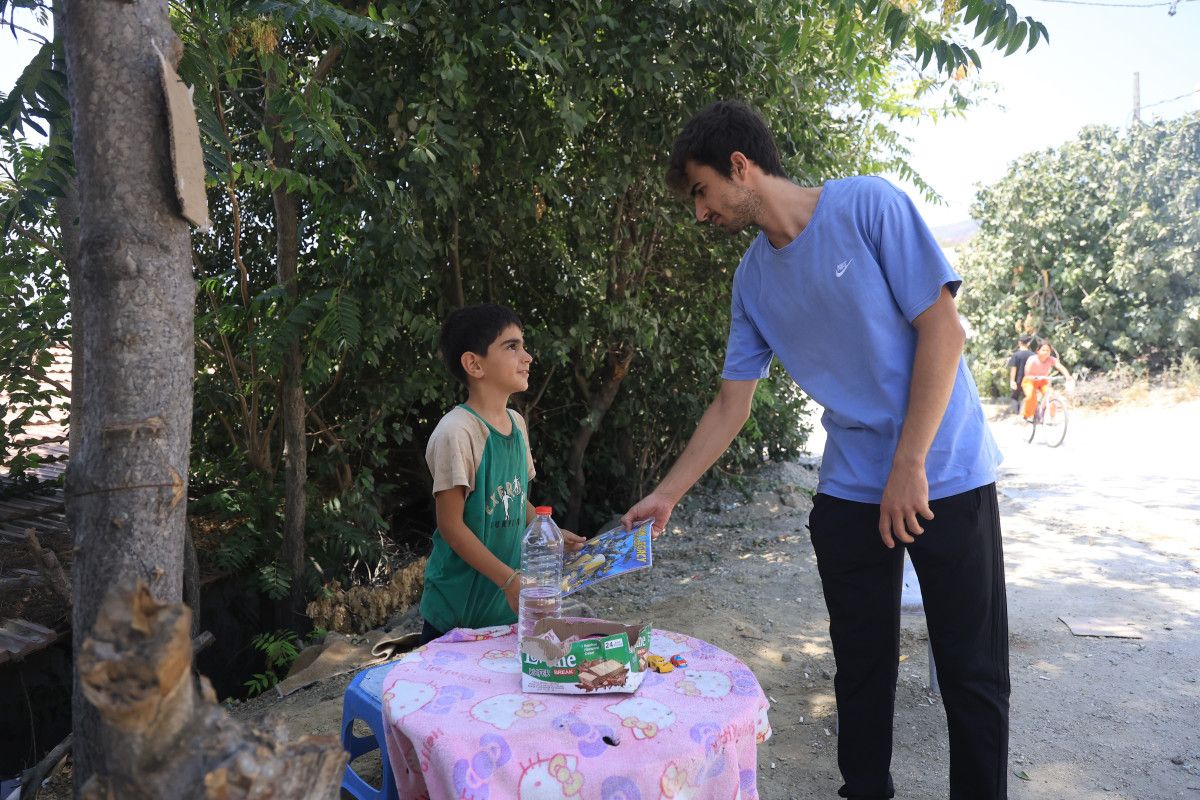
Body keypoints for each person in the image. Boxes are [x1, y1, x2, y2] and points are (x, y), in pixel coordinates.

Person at [621, 101, 1007, 799]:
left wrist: (909, 462)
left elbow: (943, 330)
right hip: (854, 485)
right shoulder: (753, 282)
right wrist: (667, 492)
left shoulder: (867, 205)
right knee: (860, 666)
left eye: (703, 192)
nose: (700, 214)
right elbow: (731, 403)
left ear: (741, 167)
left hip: (943, 467)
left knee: (971, 671)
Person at [418, 303, 584, 645]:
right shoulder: (457, 431)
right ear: (474, 364)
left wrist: (548, 532)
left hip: (504, 605)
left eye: (523, 346)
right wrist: (509, 580)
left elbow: (516, 497)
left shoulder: (517, 424)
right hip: (457, 611)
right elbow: (450, 526)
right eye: (512, 347)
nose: (527, 357)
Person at [1020, 340, 1073, 421]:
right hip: (1030, 380)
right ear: (1038, 351)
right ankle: (1027, 415)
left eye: (1048, 350)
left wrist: (1067, 376)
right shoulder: (1032, 359)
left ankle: (1052, 417)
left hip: (1043, 381)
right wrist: (1031, 376)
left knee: (1051, 396)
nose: (1046, 352)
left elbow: (1060, 367)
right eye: (1043, 350)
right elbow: (1027, 371)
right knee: (1031, 397)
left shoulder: (1051, 359)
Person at [1007, 335, 1034, 414]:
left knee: (1014, 397)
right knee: (1028, 396)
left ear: (1019, 343)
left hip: (1018, 380)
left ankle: (1017, 413)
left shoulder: (1016, 355)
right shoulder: (1032, 355)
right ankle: (1026, 413)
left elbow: (1013, 369)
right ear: (1028, 343)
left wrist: (1012, 381)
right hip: (1029, 380)